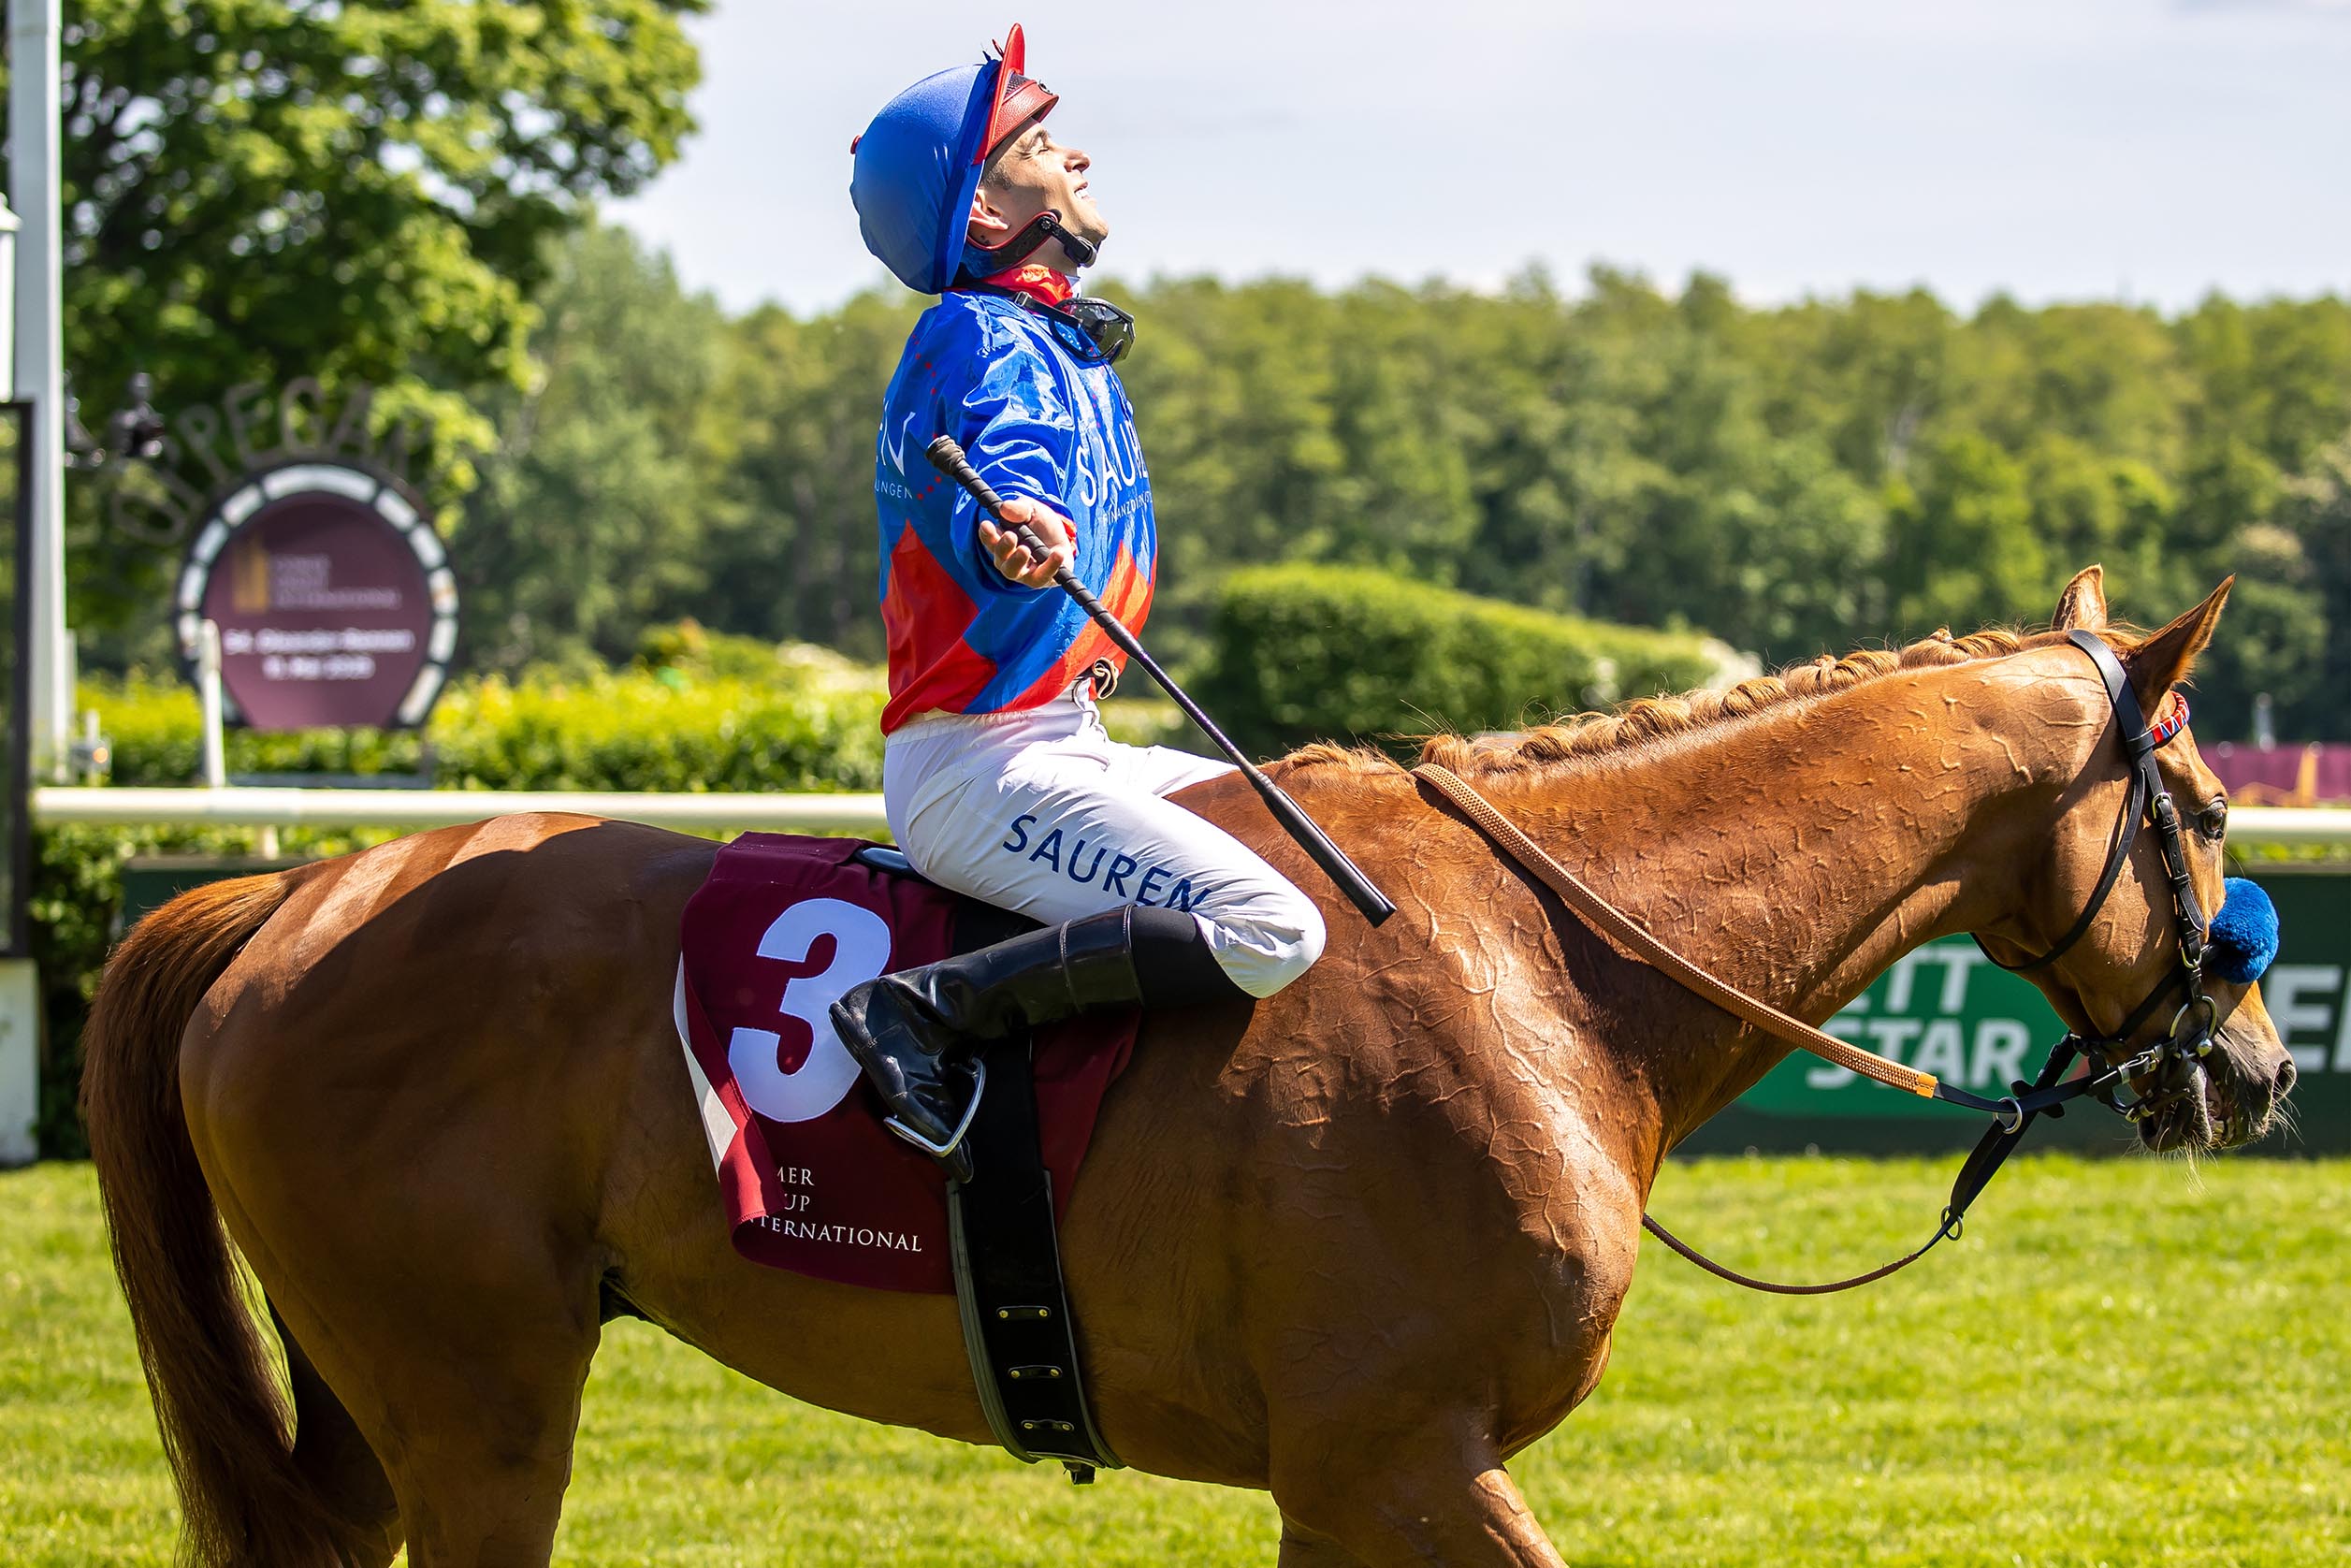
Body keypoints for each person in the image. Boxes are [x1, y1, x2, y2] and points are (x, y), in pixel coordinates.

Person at [834, 25, 1327, 1178]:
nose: (1080, 159)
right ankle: (922, 1015)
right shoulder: (979, 332)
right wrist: (1014, 528)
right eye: (1042, 145)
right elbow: (995, 472)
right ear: (990, 218)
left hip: (1070, 744)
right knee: (1274, 927)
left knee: (1318, 805)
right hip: (983, 768)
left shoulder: (1060, 345)